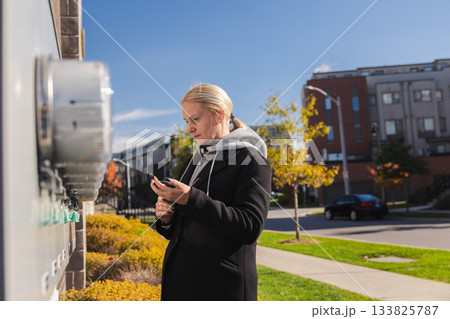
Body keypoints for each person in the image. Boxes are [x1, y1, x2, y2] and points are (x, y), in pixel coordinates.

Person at [150, 83, 271, 301]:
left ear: (219, 115)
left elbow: (250, 226)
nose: (189, 129)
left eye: (195, 119)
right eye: (186, 121)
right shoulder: (194, 161)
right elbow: (186, 227)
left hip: (221, 289)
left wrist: (190, 198)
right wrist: (168, 217)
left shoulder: (251, 159)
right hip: (182, 287)